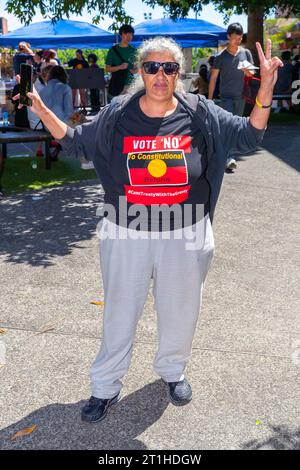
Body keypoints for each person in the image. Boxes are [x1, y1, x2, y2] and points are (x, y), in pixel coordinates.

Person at [14, 36, 282, 423]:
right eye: (152, 67)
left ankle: (173, 372)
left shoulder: (199, 112)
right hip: (127, 231)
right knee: (120, 312)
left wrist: (267, 89)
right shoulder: (118, 113)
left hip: (186, 233)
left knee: (181, 309)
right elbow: (76, 143)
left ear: (179, 73)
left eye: (169, 68)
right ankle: (105, 387)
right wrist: (38, 106)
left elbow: (248, 133)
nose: (160, 75)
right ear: (141, 71)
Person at [208, 23, 255, 171]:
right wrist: (209, 99)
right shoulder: (220, 57)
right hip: (226, 97)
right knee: (228, 126)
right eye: (235, 38)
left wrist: (246, 70)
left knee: (237, 127)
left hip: (240, 96)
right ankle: (230, 157)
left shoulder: (245, 53)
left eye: (240, 38)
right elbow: (213, 79)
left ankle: (228, 154)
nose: (237, 41)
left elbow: (252, 74)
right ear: (228, 37)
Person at [39, 65, 74, 160]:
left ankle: (58, 148)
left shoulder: (42, 91)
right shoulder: (65, 88)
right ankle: (86, 159)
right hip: (60, 124)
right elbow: (69, 112)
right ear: (64, 75)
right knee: (83, 123)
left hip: (46, 125)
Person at [105, 24, 136, 101]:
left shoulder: (134, 50)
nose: (129, 37)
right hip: (117, 85)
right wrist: (119, 67)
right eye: (126, 34)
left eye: (131, 35)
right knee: (116, 110)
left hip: (131, 85)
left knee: (130, 110)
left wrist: (134, 70)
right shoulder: (113, 50)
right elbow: (107, 69)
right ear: (121, 35)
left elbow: (136, 69)